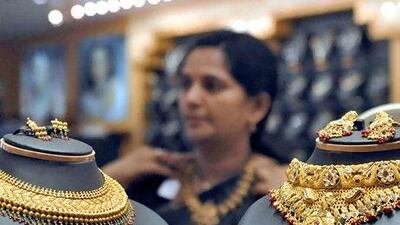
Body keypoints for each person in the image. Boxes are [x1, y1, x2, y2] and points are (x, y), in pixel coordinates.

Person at [103, 30, 286, 224]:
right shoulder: (148, 180)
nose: (190, 98)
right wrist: (106, 182)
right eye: (185, 84)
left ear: (257, 107)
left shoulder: (281, 192)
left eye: (211, 85)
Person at [80, 43, 128, 122]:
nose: (96, 67)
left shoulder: (120, 91)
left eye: (100, 62)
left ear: (109, 64)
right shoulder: (86, 99)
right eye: (93, 62)